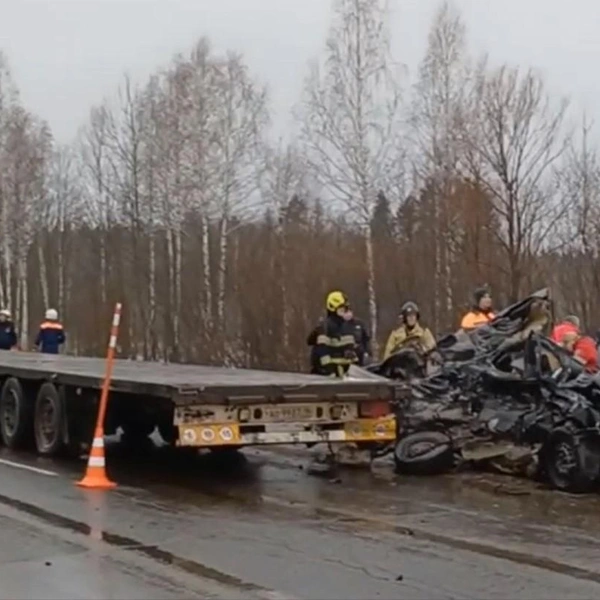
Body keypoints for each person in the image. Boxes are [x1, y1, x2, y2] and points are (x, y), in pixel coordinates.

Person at [307, 291, 358, 378]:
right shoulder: (324, 327)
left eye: (345, 309)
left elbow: (350, 346)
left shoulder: (347, 326)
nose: (345, 312)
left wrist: (350, 353)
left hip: (341, 373)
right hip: (324, 375)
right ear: (332, 308)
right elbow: (322, 352)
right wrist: (329, 370)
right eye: (341, 309)